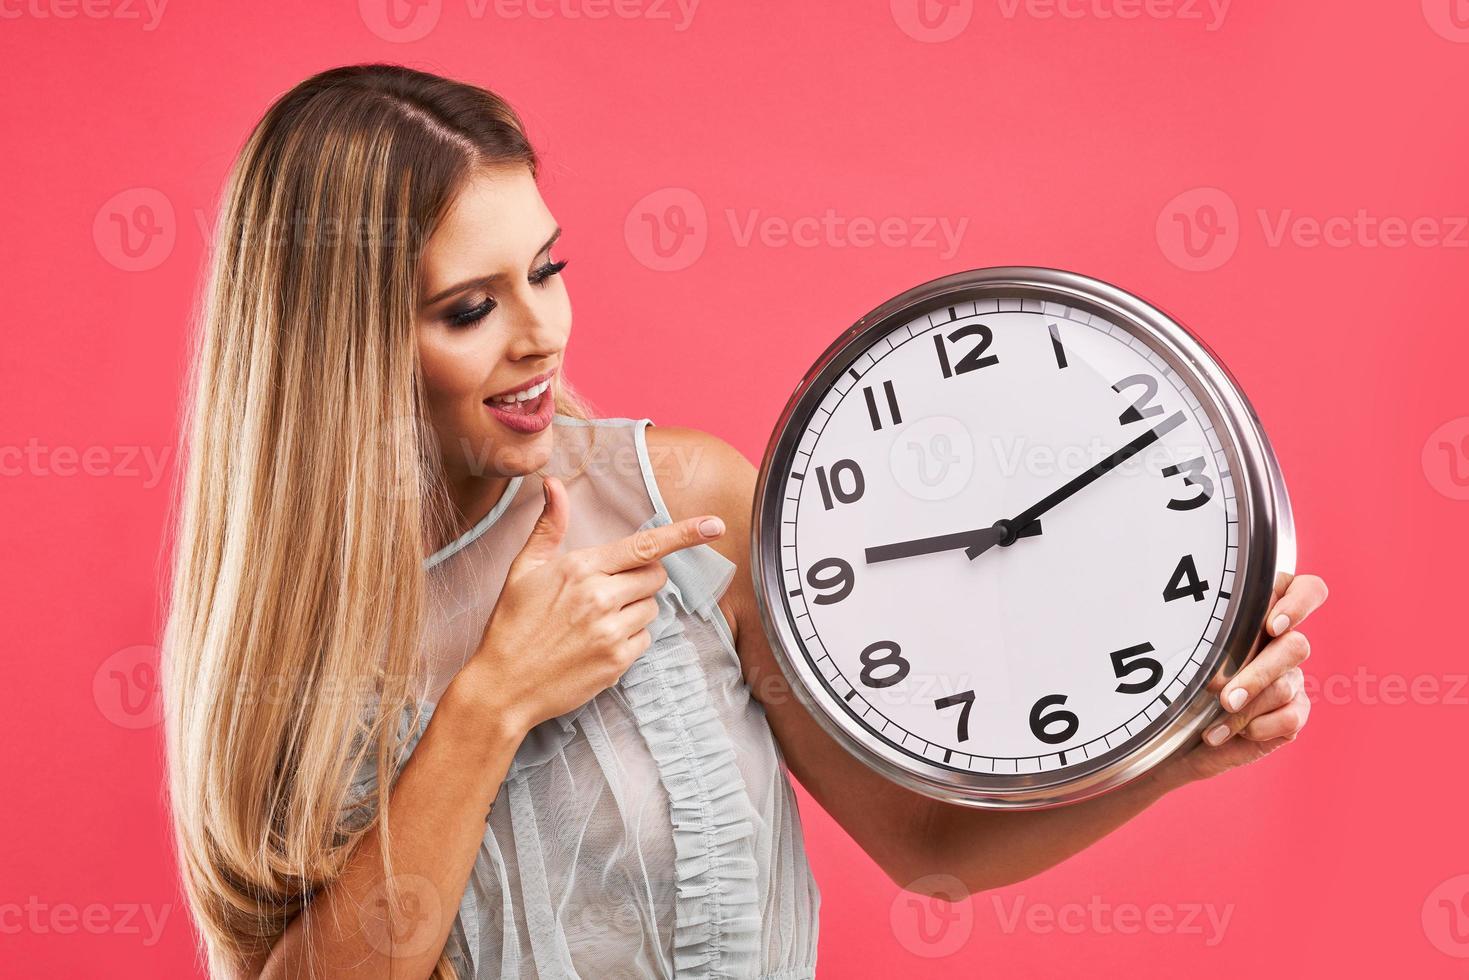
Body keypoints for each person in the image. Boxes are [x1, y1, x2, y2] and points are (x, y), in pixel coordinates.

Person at [160, 64, 1329, 980]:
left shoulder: (692, 510)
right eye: (470, 306)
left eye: (548, 268)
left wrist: (1180, 756)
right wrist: (495, 699)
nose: (542, 333)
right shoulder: (285, 628)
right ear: (339, 344)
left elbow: (924, 847)